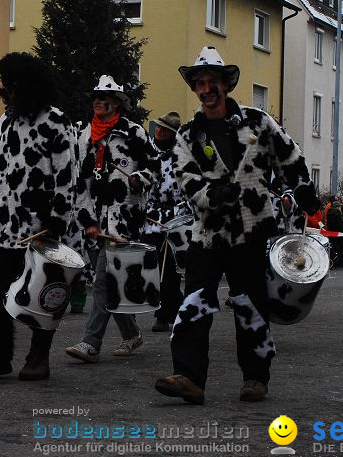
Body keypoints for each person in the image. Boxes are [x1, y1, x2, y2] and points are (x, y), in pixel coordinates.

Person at [154, 46, 320, 405]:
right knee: (195, 302)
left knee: (250, 304)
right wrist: (213, 195)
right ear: (195, 89)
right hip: (208, 232)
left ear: (226, 85)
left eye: (213, 81)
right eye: (201, 83)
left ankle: (256, 378)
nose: (207, 89)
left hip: (251, 227)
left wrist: (305, 192)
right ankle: (189, 377)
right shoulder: (188, 135)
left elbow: (289, 156)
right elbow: (184, 179)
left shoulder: (258, 122)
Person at [0, 52, 76, 381]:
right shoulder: (5, 122)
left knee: (41, 292)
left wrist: (57, 221)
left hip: (41, 225)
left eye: (6, 83)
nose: (1, 88)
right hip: (2, 226)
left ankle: (38, 358)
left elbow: (67, 176)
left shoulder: (56, 121)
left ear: (22, 85)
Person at [64, 75, 157, 364]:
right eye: (95, 97)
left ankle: (90, 343)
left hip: (123, 220)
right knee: (112, 282)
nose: (97, 101)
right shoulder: (83, 135)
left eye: (104, 97)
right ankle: (131, 334)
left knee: (103, 281)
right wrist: (86, 220)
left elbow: (155, 166)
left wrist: (139, 179)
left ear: (116, 103)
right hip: (94, 222)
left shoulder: (134, 133)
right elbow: (78, 182)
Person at [142, 111, 186, 333]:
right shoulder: (146, 152)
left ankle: (169, 314)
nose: (159, 131)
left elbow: (183, 188)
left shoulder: (180, 157)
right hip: (149, 219)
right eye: (158, 127)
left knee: (169, 272)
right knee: (152, 268)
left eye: (165, 130)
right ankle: (164, 311)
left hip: (173, 221)